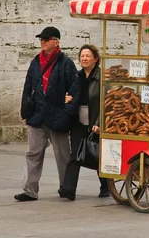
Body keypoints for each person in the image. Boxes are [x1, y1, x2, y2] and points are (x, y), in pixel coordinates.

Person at [15, 27, 79, 202]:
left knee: (62, 155)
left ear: (56, 41)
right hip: (36, 115)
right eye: (41, 39)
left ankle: (66, 187)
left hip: (57, 116)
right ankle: (29, 190)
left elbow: (75, 89)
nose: (42, 42)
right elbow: (28, 87)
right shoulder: (36, 61)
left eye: (46, 39)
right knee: (33, 153)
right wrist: (25, 112)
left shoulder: (66, 63)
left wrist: (68, 112)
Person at [59, 44, 109, 200]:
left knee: (97, 154)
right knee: (75, 154)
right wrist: (66, 99)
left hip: (95, 120)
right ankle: (68, 189)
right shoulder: (77, 76)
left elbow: (107, 102)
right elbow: (69, 94)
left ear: (95, 58)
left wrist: (100, 122)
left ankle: (106, 186)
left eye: (88, 56)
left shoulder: (102, 77)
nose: (84, 58)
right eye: (82, 56)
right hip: (79, 120)